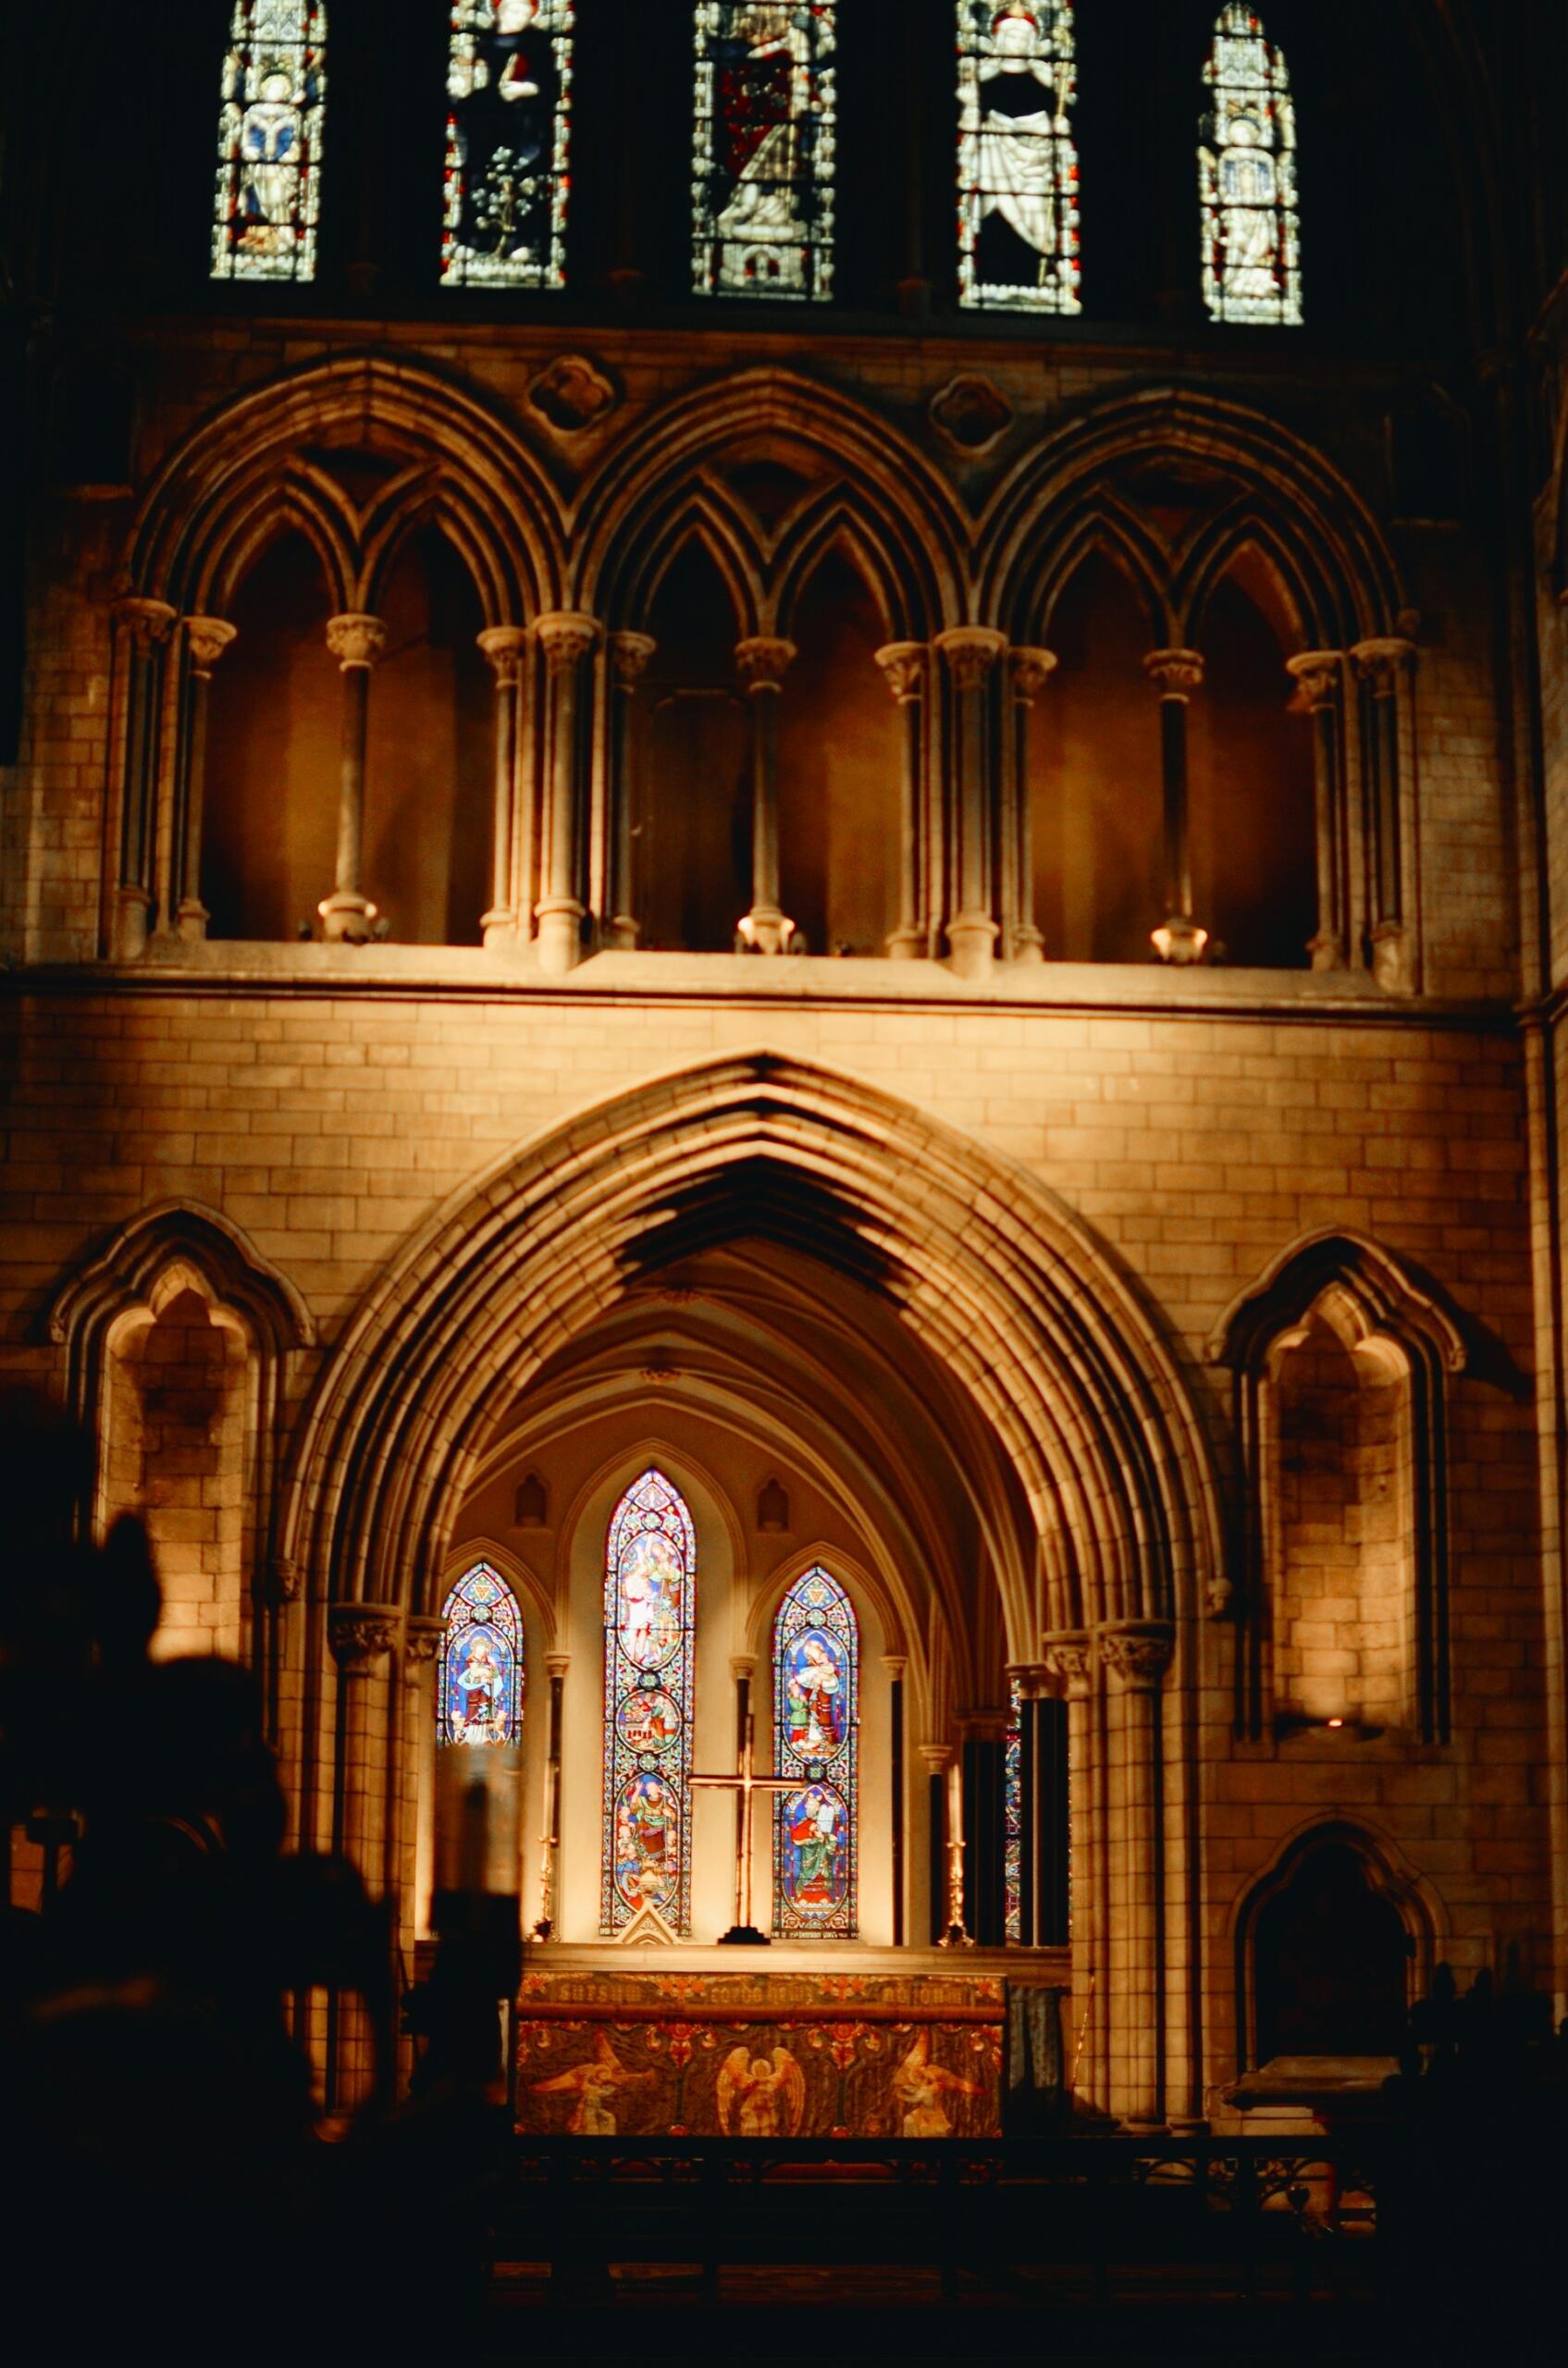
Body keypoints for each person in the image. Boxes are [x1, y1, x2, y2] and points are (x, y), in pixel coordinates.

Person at [962, 5, 1070, 298]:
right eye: (1011, 38)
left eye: (1024, 39)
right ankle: (983, 280)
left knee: (1037, 223)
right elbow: (969, 116)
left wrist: (1057, 127)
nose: (1017, 44)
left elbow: (1063, 117)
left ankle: (1044, 281)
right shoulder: (984, 75)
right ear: (999, 40)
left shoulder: (1046, 79)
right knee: (991, 220)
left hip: (1036, 167)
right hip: (992, 159)